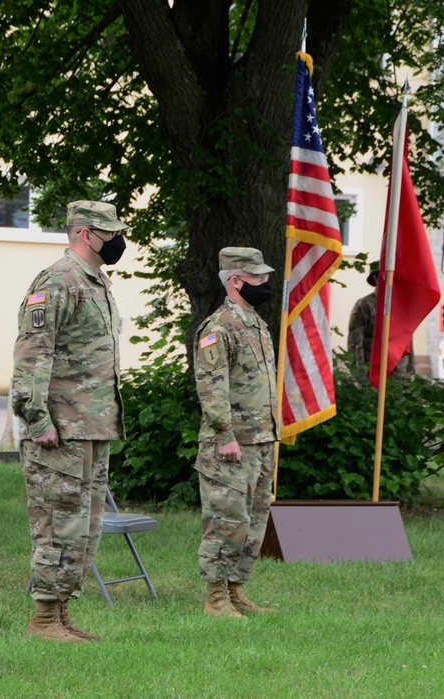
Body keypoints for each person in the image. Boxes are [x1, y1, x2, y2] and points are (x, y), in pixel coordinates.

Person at [11, 200, 127, 643]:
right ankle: (42, 619)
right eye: (109, 232)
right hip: (60, 428)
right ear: (84, 233)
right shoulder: (58, 280)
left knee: (83, 527)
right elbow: (32, 354)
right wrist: (37, 418)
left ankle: (61, 614)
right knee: (56, 524)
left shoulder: (96, 282)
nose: (116, 240)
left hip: (92, 426)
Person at [193, 247, 279, 619]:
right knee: (227, 520)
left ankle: (236, 589)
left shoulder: (255, 322)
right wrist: (224, 434)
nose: (265, 283)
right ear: (236, 281)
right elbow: (211, 386)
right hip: (231, 443)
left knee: (254, 520)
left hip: (260, 440)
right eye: (258, 277)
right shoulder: (219, 326)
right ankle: (215, 597)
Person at [348, 263, 415, 380]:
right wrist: (360, 377)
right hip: (374, 374)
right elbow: (355, 343)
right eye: (386, 275)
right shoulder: (364, 305)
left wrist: (410, 369)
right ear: (375, 277)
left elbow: (408, 340)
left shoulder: (402, 305)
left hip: (399, 375)